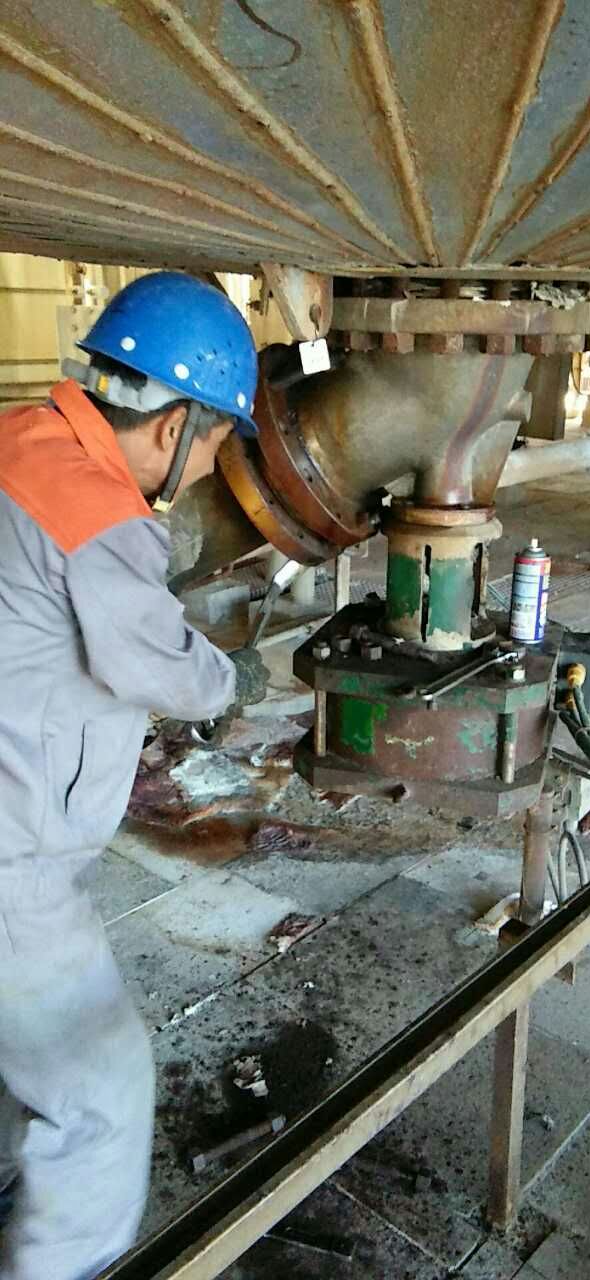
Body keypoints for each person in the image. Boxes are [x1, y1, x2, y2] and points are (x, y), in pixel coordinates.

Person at [0, 271, 269, 1279]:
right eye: (211, 447)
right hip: (8, 856)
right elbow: (157, 665)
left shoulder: (21, 438)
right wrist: (229, 676)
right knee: (101, 1090)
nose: (202, 471)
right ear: (173, 424)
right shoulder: (98, 509)